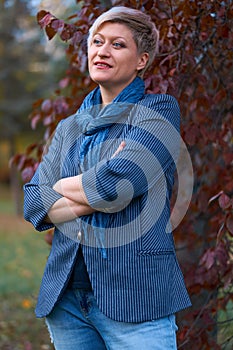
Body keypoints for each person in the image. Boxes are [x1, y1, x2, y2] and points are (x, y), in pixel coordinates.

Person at [24, 6, 191, 350]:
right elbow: (33, 203)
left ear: (141, 60)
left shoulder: (158, 111)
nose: (102, 51)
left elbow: (117, 185)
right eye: (97, 41)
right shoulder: (69, 127)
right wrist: (92, 186)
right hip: (68, 301)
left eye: (118, 45)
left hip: (137, 297)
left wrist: (59, 187)